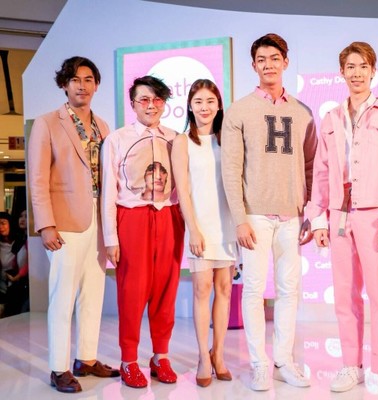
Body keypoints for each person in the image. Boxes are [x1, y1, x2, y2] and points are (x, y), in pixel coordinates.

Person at [306, 42, 378, 399]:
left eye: (363, 66)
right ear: (341, 72)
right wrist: (318, 219)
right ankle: (351, 365)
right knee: (344, 296)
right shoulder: (331, 118)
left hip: (376, 216)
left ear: (373, 71)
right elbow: (321, 172)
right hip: (339, 216)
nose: (356, 73)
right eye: (350, 66)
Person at [221, 33, 317, 391]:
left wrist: (309, 211)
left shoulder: (302, 112)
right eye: (261, 59)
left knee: (290, 291)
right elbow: (231, 170)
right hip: (255, 217)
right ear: (253, 65)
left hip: (292, 217)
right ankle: (259, 363)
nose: (268, 65)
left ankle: (284, 360)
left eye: (275, 58)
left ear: (285, 62)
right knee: (253, 290)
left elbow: (311, 165)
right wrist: (240, 219)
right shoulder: (239, 110)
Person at [27, 56, 119, 393]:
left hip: (98, 220)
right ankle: (59, 368)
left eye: (88, 79)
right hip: (64, 222)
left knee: (93, 292)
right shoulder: (47, 123)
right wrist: (45, 225)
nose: (82, 85)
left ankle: (86, 358)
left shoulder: (103, 126)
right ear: (64, 85)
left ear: (96, 85)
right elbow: (37, 178)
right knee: (62, 297)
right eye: (75, 79)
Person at [101, 75, 184, 389]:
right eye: (144, 100)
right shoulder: (118, 139)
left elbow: (184, 186)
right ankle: (129, 360)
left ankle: (161, 356)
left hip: (169, 216)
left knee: (166, 289)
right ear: (133, 104)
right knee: (132, 292)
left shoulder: (175, 138)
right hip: (132, 218)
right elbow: (109, 191)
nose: (151, 106)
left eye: (157, 100)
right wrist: (111, 238)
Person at [172, 79, 237, 387]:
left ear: (219, 105)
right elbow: (183, 191)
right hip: (200, 226)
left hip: (227, 225)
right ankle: (202, 356)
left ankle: (218, 354)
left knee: (225, 289)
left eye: (210, 101)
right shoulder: (182, 142)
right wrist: (193, 230)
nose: (204, 107)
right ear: (190, 106)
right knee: (202, 289)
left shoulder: (229, 139)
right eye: (198, 101)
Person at [4, 209, 30, 316]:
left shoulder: (31, 240)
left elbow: (30, 262)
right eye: (20, 216)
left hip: (27, 284)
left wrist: (17, 276)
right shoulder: (20, 240)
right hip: (19, 283)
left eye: (26, 216)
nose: (22, 219)